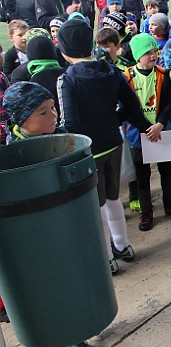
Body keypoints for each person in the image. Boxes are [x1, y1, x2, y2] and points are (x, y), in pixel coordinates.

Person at [1, 81, 101, 347]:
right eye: (42, 113)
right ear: (21, 119)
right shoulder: (15, 153)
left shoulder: (60, 138)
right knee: (54, 288)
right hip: (38, 235)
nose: (53, 116)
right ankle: (67, 340)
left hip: (65, 225)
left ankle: (81, 325)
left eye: (53, 108)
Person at [56, 18, 148, 275]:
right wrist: (112, 121)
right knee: (113, 196)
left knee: (96, 204)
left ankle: (107, 256)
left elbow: (70, 123)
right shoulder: (110, 70)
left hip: (89, 150)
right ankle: (123, 244)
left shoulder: (67, 79)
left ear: (63, 51)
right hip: (113, 142)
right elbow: (131, 105)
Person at [123, 33, 171, 231]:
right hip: (138, 135)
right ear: (137, 55)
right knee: (143, 176)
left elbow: (169, 103)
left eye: (154, 51)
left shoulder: (163, 74)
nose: (153, 55)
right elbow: (126, 108)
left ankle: (170, 205)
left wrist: (159, 124)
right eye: (147, 52)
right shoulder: (126, 78)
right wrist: (145, 128)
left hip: (160, 132)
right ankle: (146, 212)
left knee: (166, 171)